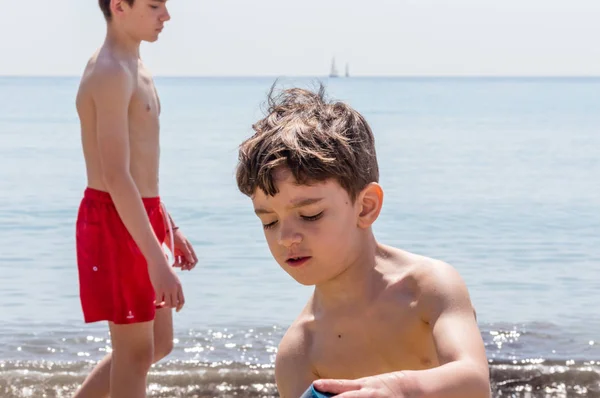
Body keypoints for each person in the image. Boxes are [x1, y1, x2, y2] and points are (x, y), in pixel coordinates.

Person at [235, 85, 491, 398]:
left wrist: (395, 389)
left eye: (311, 214)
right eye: (269, 221)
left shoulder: (427, 287)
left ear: (365, 206)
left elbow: (475, 381)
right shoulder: (301, 351)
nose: (285, 237)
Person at [73, 1, 198, 397]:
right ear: (119, 7)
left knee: (157, 345)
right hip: (114, 217)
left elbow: (141, 171)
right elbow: (115, 175)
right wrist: (157, 260)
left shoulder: (136, 66)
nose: (166, 15)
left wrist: (168, 225)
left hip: (141, 211)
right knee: (135, 352)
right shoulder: (109, 71)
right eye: (153, 5)